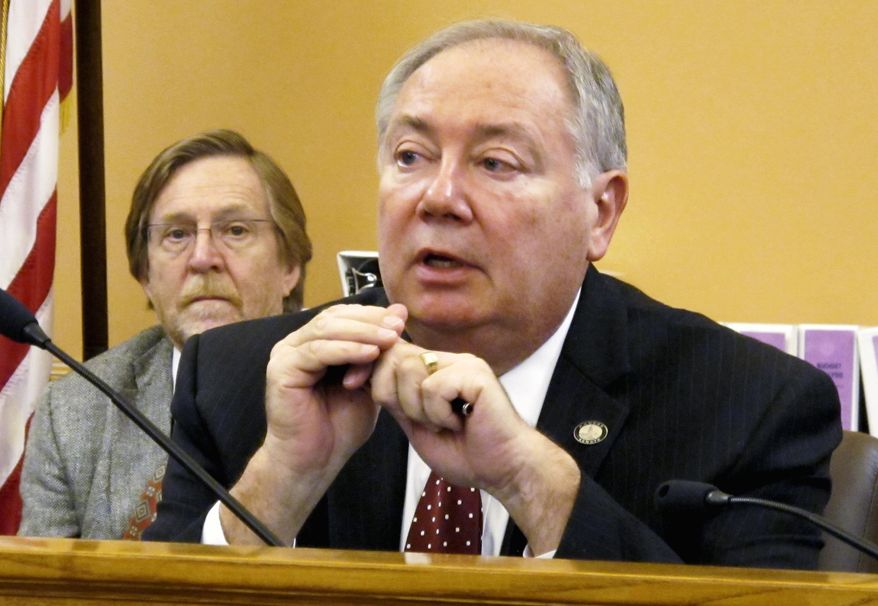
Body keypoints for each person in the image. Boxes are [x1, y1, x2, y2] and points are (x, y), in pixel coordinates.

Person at [146, 21, 841, 569]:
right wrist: (284, 480)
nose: (438, 197)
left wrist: (532, 480)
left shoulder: (746, 407)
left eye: (495, 163)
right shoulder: (238, 382)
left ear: (600, 212)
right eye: (410, 156)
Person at [18, 129, 312, 539]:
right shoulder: (76, 413)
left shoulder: (356, 389)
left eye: (236, 230)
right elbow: (47, 596)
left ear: (290, 265)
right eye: (177, 234)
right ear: (145, 275)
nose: (203, 258)